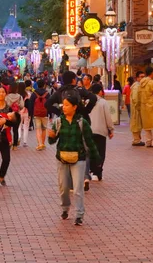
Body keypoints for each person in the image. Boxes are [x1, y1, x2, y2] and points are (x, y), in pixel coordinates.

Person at [47, 91, 100, 226]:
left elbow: (90, 142)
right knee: (64, 187)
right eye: (63, 105)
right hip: (62, 158)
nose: (64, 107)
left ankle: (79, 215)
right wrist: (52, 136)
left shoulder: (82, 123)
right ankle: (65, 208)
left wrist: (96, 160)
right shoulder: (59, 122)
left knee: (77, 188)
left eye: (67, 105)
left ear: (75, 106)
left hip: (79, 158)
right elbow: (51, 142)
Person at [88, 83, 114, 182]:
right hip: (100, 131)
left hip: (89, 130)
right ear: (100, 91)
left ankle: (91, 171)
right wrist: (110, 129)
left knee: (90, 151)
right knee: (100, 152)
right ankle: (97, 172)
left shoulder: (87, 101)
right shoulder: (103, 102)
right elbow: (108, 117)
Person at [29, 79, 49, 151]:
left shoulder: (34, 93)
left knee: (38, 129)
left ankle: (39, 144)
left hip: (36, 113)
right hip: (45, 113)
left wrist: (30, 113)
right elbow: (49, 104)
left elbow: (31, 104)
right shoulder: (47, 93)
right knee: (44, 129)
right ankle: (43, 144)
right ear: (44, 85)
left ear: (37, 85)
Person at [5, 82, 24, 150]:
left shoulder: (7, 96)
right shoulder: (19, 96)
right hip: (17, 115)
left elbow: (5, 106)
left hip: (9, 115)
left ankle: (9, 142)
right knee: (15, 130)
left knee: (8, 129)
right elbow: (22, 106)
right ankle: (15, 146)